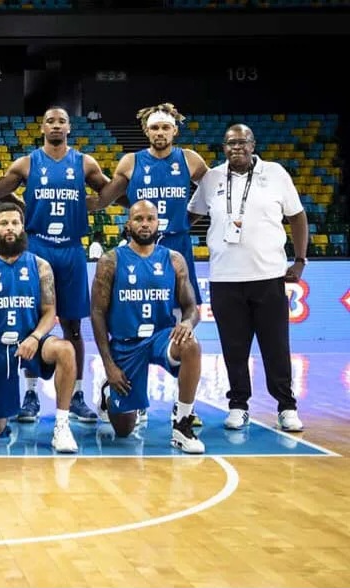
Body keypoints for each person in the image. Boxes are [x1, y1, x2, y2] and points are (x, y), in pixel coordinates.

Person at [0, 106, 110, 423]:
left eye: (61, 121)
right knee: (30, 323)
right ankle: (30, 393)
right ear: (42, 128)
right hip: (37, 247)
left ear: (69, 128)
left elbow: (110, 190)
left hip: (71, 249)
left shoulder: (84, 163)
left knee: (73, 327)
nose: (55, 125)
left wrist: (95, 203)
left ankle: (77, 393)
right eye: (49, 120)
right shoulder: (27, 163)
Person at [188, 123, 308, 432]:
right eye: (230, 143)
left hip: (268, 276)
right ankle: (238, 405)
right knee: (234, 348)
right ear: (223, 147)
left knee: (276, 346)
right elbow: (190, 216)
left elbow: (297, 216)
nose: (236, 147)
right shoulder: (212, 178)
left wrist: (300, 259)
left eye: (242, 142)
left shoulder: (276, 174)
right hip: (225, 278)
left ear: (253, 145)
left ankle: (286, 407)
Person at [89, 200, 205, 453]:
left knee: (191, 346)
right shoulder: (110, 260)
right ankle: (110, 396)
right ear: (128, 224)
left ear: (157, 223)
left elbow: (191, 307)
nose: (144, 224)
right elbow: (97, 313)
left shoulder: (174, 260)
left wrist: (187, 322)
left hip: (160, 337)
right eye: (139, 219)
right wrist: (109, 365)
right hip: (125, 344)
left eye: (150, 219)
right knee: (123, 430)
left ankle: (182, 423)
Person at [0, 202, 79, 452]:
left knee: (66, 350)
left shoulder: (41, 267)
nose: (10, 228)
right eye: (4, 223)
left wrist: (36, 337)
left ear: (23, 227)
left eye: (15, 223)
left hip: (33, 343)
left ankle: (62, 426)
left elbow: (50, 313)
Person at [95, 103, 209, 307]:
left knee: (182, 311)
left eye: (165, 127)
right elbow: (106, 198)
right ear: (146, 131)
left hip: (178, 243)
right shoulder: (131, 162)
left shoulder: (190, 159)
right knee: (140, 305)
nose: (160, 132)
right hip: (141, 244)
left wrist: (190, 217)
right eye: (155, 128)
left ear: (174, 130)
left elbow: (213, 191)